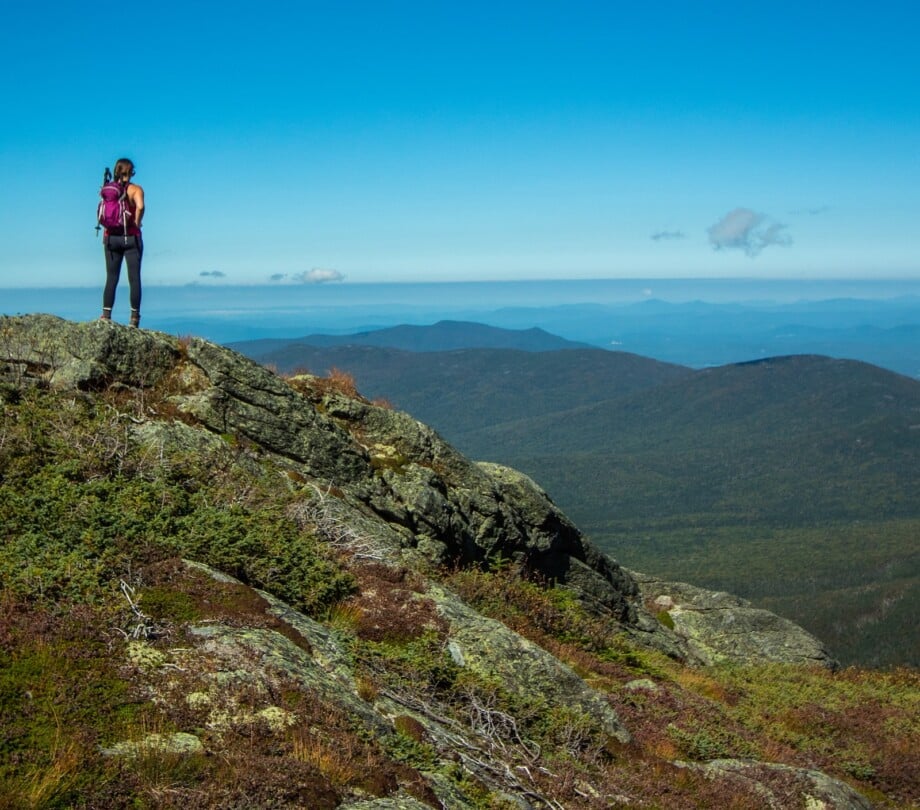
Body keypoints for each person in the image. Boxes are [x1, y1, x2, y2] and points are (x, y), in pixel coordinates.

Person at [100, 158, 145, 326]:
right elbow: (140, 206)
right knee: (134, 278)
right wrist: (137, 222)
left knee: (111, 277)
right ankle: (134, 319)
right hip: (131, 237)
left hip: (111, 238)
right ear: (131, 171)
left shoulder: (109, 190)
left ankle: (106, 315)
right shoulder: (135, 190)